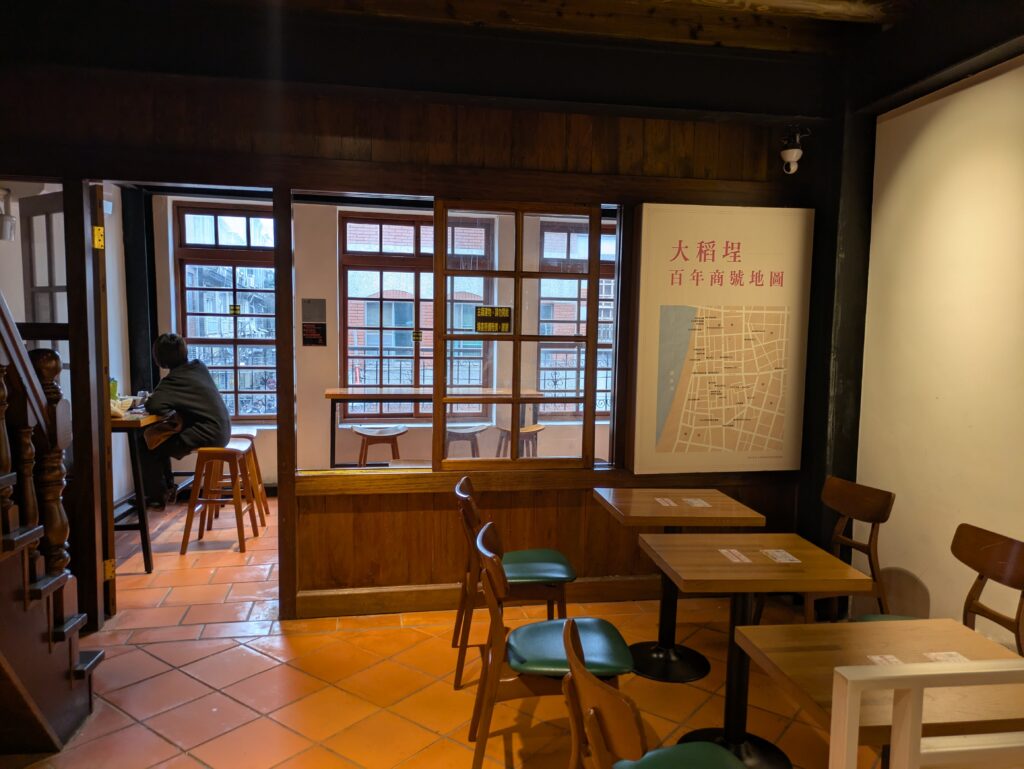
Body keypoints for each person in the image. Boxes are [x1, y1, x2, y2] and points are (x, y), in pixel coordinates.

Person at [140, 333, 231, 508]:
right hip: (221, 429)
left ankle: (158, 496)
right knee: (157, 442)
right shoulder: (198, 366)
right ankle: (166, 490)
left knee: (146, 444)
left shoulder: (173, 380)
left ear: (160, 359)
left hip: (207, 433)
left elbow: (153, 405)